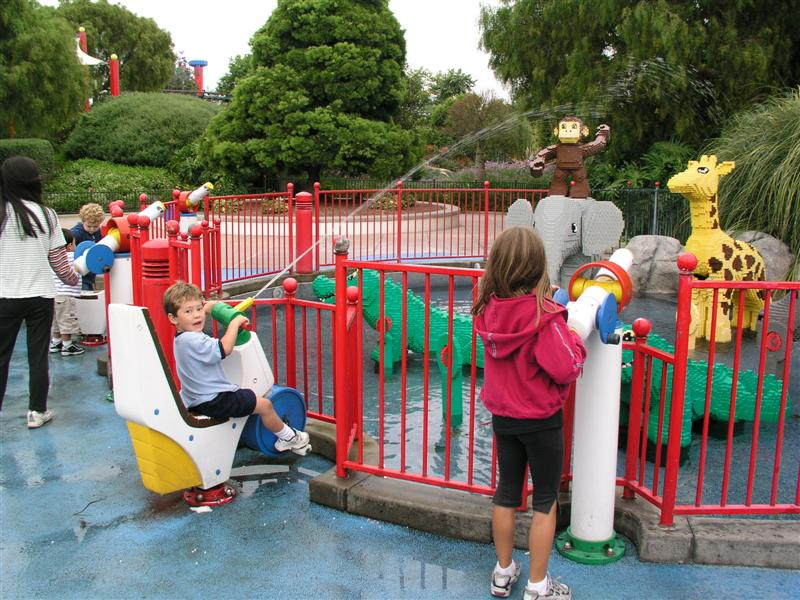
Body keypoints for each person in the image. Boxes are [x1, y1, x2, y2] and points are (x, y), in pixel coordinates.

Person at [472, 227, 586, 600]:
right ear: (538, 266)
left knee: (507, 492)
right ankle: (538, 586)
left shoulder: (487, 309)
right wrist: (573, 334)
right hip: (541, 421)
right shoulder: (544, 317)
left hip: (504, 418)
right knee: (545, 499)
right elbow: (567, 367)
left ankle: (502, 572)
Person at [163, 282, 311, 454]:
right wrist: (234, 323)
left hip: (195, 398)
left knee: (244, 396)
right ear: (173, 318)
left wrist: (208, 308)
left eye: (199, 309)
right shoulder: (193, 340)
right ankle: (290, 438)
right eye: (188, 311)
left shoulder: (182, 338)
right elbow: (224, 348)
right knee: (265, 405)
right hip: (213, 400)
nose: (197, 315)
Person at [0, 156, 81, 428]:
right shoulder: (46, 215)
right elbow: (58, 260)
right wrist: (74, 278)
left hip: (4, 295)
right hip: (40, 296)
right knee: (38, 355)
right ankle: (37, 411)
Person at [49, 229, 85, 356]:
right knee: (66, 321)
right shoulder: (73, 256)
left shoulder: (54, 258)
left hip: (54, 295)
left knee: (56, 321)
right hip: (66, 296)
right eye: (74, 244)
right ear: (70, 245)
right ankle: (67, 345)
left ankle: (55, 342)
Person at [69, 202, 103, 290]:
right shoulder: (76, 233)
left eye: (95, 227)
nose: (92, 229)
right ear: (83, 221)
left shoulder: (98, 233)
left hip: (90, 274)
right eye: (89, 226)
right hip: (79, 276)